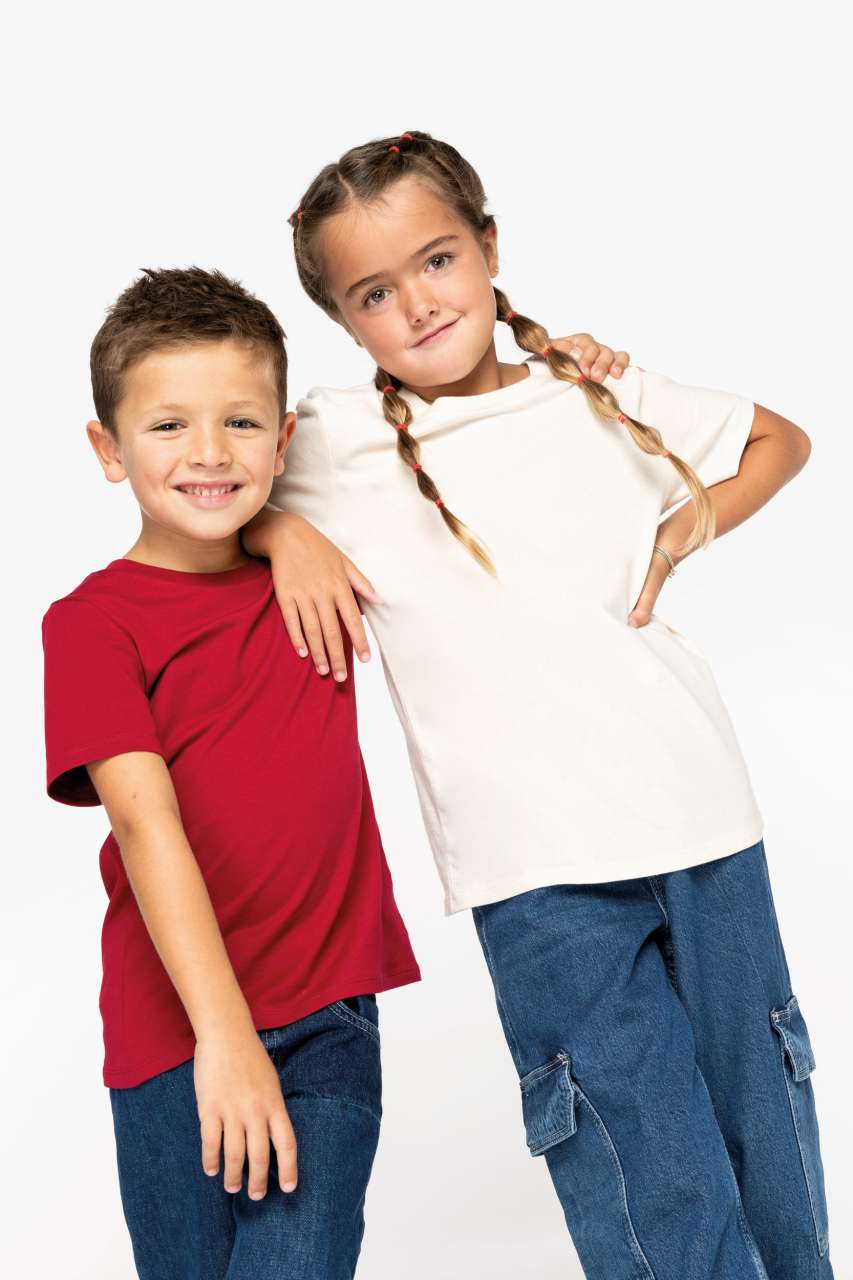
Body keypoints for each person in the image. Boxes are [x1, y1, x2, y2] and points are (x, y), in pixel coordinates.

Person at [242, 131, 835, 1279]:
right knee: (641, 1159)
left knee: (766, 1125)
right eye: (375, 292)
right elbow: (213, 489)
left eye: (437, 260)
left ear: (489, 246)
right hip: (537, 873)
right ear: (344, 322)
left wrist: (689, 522)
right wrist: (283, 531)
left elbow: (780, 439)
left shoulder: (588, 390)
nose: (419, 303)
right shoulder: (338, 440)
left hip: (703, 818)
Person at [41, 266, 421, 1280]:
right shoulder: (91, 624)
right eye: (168, 425)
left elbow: (437, 421)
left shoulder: (314, 570)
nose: (209, 451)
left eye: (240, 423)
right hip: (174, 1034)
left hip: (328, 1015)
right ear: (108, 449)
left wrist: (285, 525)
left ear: (283, 442)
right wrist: (225, 1036)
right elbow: (145, 824)